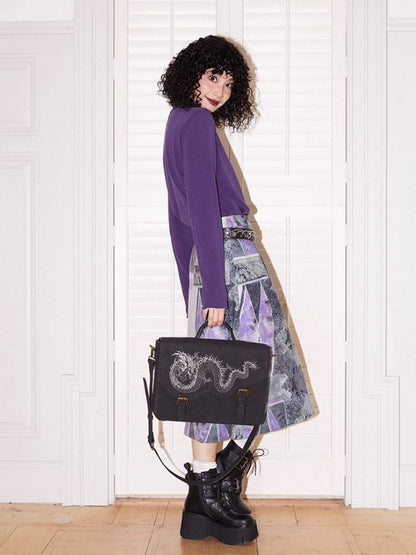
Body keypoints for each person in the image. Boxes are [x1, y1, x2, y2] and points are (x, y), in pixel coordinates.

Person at [158, 35, 315, 546]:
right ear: (191, 73)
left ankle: (212, 489)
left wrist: (194, 282)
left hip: (214, 265)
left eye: (229, 84)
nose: (220, 91)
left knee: (219, 376)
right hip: (230, 262)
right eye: (213, 77)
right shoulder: (196, 123)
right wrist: (214, 293)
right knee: (255, 373)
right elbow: (201, 209)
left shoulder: (178, 122)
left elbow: (178, 216)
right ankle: (212, 489)